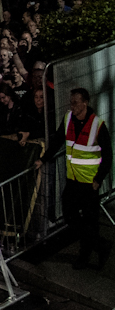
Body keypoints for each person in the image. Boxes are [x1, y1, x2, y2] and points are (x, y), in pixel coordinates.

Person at [41, 87, 112, 269]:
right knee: (70, 216)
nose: (71, 105)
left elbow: (108, 156)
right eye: (71, 102)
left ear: (85, 103)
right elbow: (57, 141)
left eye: (75, 102)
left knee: (90, 220)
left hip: (90, 183)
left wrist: (98, 179)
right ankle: (100, 245)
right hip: (73, 180)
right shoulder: (68, 119)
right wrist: (43, 159)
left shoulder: (98, 125)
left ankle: (86, 255)